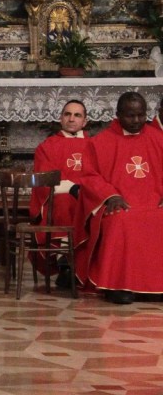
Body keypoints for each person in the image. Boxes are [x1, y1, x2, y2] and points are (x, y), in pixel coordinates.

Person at [74, 91, 163, 304]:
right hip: (118, 202)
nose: (136, 121)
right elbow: (89, 175)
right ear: (118, 114)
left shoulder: (159, 139)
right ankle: (116, 285)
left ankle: (155, 286)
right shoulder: (100, 142)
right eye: (130, 116)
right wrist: (109, 195)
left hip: (154, 202)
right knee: (121, 220)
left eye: (141, 115)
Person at [29, 100, 89, 286]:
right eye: (67, 114)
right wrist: (71, 188)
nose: (72, 119)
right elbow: (44, 179)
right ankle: (65, 263)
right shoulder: (47, 146)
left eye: (77, 115)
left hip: (89, 196)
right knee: (64, 203)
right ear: (60, 118)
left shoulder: (96, 145)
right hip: (59, 197)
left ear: (85, 121)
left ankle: (91, 265)